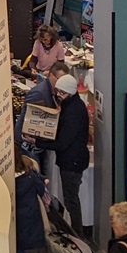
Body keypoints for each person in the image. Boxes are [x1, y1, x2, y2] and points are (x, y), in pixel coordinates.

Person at [30, 73, 89, 234]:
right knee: (70, 199)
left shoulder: (73, 112)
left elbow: (62, 143)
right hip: (73, 160)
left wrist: (38, 142)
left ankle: (77, 234)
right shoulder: (73, 106)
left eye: (62, 92)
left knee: (71, 200)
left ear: (69, 92)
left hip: (72, 162)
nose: (58, 95)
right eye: (57, 91)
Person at [17, 61, 71, 168]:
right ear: (50, 75)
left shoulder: (53, 91)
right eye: (60, 79)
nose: (62, 83)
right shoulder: (39, 93)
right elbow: (30, 118)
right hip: (29, 143)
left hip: (40, 143)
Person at [14, 154, 47, 253]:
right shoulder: (31, 178)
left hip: (15, 225)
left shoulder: (9, 182)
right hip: (30, 225)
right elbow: (42, 191)